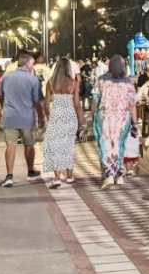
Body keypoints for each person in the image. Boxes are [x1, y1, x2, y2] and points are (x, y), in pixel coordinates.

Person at [0, 51, 46, 187]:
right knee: (29, 144)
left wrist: (4, 108)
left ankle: (9, 175)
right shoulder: (33, 80)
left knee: (10, 145)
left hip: (9, 117)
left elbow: (0, 96)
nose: (33, 67)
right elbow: (37, 102)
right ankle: (30, 171)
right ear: (26, 64)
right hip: (27, 117)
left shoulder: (6, 77)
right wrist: (41, 117)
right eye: (32, 64)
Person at [93, 55, 141, 187]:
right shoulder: (127, 82)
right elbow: (132, 105)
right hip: (122, 119)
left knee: (106, 146)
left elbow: (95, 100)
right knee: (119, 146)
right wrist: (135, 123)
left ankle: (108, 175)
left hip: (104, 118)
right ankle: (119, 174)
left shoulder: (101, 80)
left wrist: (92, 116)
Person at [44, 58, 84, 188]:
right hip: (69, 117)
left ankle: (56, 177)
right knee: (69, 145)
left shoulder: (50, 83)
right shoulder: (73, 83)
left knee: (55, 146)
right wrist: (82, 122)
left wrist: (49, 116)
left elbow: (46, 104)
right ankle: (70, 176)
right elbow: (77, 104)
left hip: (56, 116)